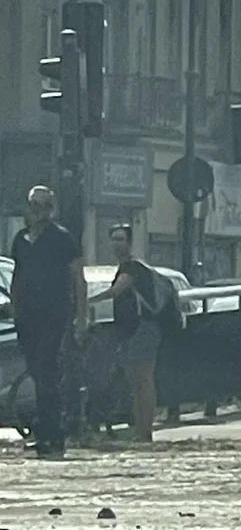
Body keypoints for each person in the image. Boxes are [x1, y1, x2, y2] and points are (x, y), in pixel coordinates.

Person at [9, 186, 88, 459]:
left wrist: (82, 316)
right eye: (34, 204)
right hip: (27, 317)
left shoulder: (62, 239)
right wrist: (14, 307)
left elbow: (78, 278)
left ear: (51, 209)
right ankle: (44, 432)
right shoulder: (20, 239)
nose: (38, 210)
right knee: (36, 371)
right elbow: (18, 276)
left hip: (54, 315)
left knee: (47, 370)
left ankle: (52, 434)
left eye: (43, 205)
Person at [90, 224, 161, 442]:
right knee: (134, 381)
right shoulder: (123, 267)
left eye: (120, 239)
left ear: (130, 243)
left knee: (144, 379)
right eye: (113, 239)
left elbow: (117, 290)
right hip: (129, 331)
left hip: (144, 328)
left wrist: (88, 301)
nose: (116, 244)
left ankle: (145, 430)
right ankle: (140, 429)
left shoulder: (132, 268)